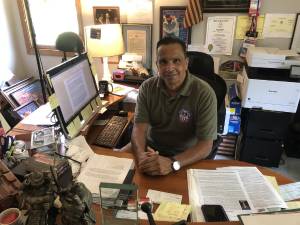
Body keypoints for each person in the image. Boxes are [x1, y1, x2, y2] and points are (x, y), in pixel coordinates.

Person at [130, 36, 217, 176]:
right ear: (157, 64)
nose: (170, 68)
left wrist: (172, 163)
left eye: (176, 61)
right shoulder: (147, 87)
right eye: (163, 62)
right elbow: (139, 129)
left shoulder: (204, 93)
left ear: (186, 63)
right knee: (112, 165)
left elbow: (205, 146)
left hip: (184, 156)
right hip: (150, 149)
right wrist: (141, 156)